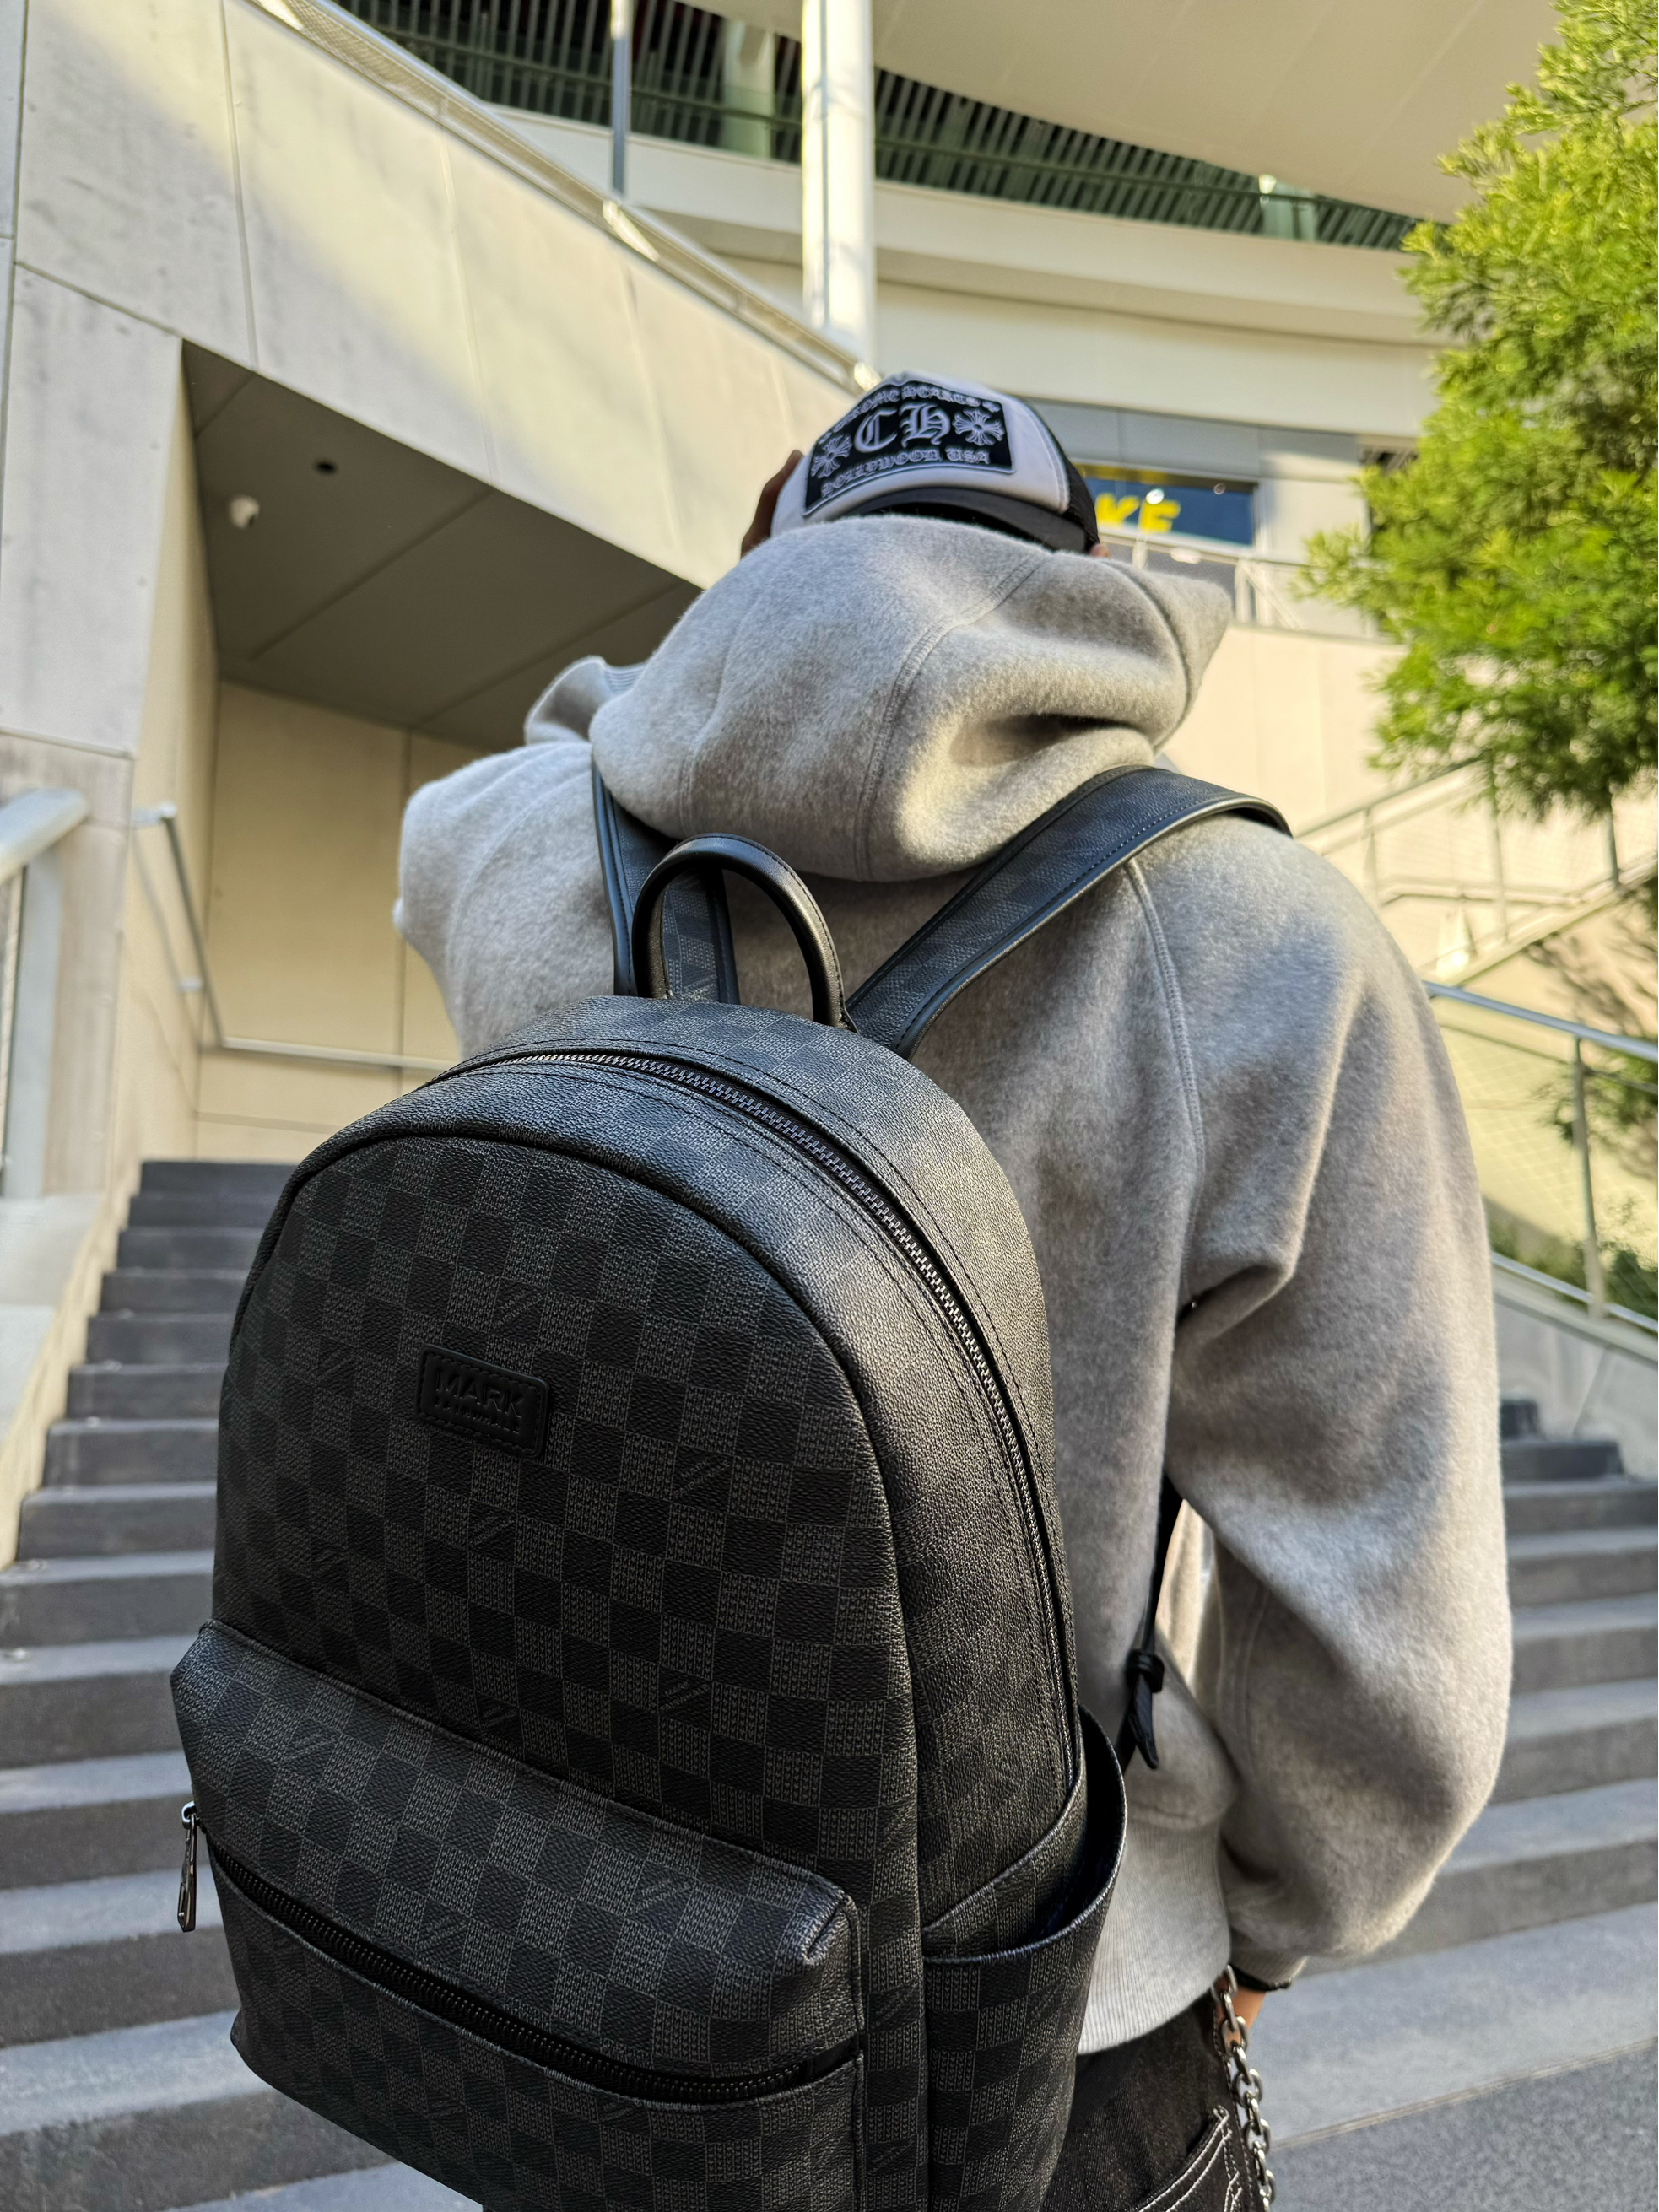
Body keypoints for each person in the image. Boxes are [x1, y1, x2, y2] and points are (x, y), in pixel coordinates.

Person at [397, 373, 1510, 2211]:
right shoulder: (1268, 947)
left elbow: (516, 782)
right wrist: (1263, 1932)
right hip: (1040, 2022)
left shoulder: (497, 841)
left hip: (574, 1940)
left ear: (762, 562)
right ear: (1084, 583)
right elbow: (1386, 1643)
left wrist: (687, 679)